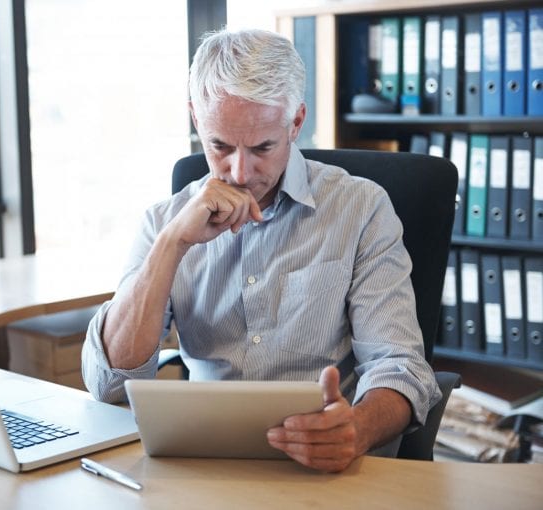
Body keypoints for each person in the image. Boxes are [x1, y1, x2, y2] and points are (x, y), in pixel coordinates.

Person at [81, 28, 441, 473]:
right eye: (220, 146)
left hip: (326, 470)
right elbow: (110, 383)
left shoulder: (362, 208)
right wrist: (172, 246)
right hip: (207, 468)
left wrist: (359, 428)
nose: (240, 171)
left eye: (262, 147)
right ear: (197, 119)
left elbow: (401, 365)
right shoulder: (164, 222)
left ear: (295, 122)